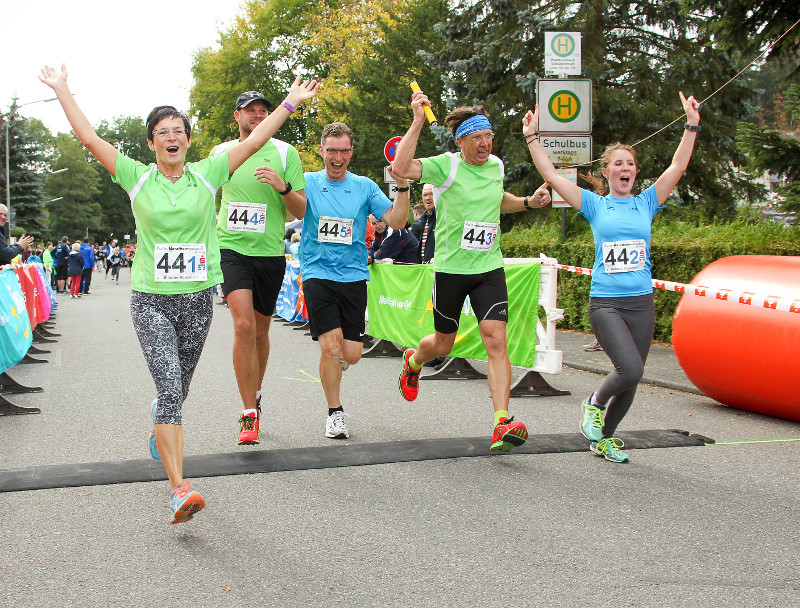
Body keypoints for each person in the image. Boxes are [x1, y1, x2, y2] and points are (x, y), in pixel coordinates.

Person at [40, 63, 319, 523]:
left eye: (179, 131)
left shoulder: (208, 174)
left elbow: (252, 141)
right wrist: (63, 90)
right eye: (162, 132)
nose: (172, 138)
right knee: (170, 389)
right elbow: (90, 138)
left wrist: (290, 101)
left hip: (195, 302)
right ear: (151, 143)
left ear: (187, 140)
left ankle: (161, 421)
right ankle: (178, 488)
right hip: (150, 300)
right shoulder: (136, 178)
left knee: (178, 390)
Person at [522, 91, 701, 463]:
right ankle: (594, 402)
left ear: (635, 172)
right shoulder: (594, 203)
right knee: (630, 368)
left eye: (630, 164)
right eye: (617, 163)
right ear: (606, 171)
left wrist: (691, 125)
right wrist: (532, 137)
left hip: (641, 303)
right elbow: (552, 174)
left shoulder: (647, 201)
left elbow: (677, 167)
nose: (625, 169)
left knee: (633, 380)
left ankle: (603, 439)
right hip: (606, 303)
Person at [392, 88, 551, 453]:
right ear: (461, 140)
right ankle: (413, 361)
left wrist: (526, 202)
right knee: (443, 342)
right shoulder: (446, 166)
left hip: (488, 267)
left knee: (496, 339)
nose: (485, 143)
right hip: (450, 269)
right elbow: (400, 169)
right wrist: (417, 119)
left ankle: (502, 421)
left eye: (489, 136)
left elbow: (498, 200)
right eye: (477, 137)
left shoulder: (496, 166)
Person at [287, 121, 409, 439]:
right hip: (317, 273)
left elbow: (397, 220)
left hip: (353, 276)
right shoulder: (308, 182)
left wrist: (404, 186)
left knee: (351, 352)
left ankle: (335, 366)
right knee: (330, 346)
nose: (338, 157)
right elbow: (289, 213)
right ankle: (335, 413)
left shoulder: (365, 186)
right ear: (322, 151)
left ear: (351, 152)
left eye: (344, 151)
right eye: (332, 151)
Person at [208, 89, 308, 446]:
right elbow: (205, 197)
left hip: (269, 253)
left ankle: (257, 390)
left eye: (263, 111)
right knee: (244, 325)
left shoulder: (285, 153)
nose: (257, 115)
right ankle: (248, 412)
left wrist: (283, 188)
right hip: (231, 248)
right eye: (250, 111)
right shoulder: (222, 153)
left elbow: (301, 211)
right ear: (237, 116)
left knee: (262, 333)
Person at [411, 183, 436, 263]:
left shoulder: (443, 218)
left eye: (431, 194)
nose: (428, 198)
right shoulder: (420, 222)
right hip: (423, 268)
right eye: (425, 195)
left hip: (439, 268)